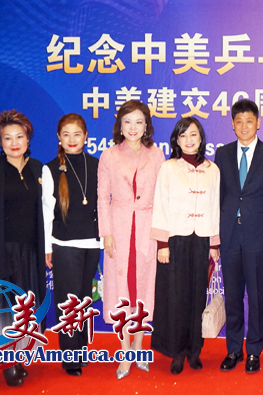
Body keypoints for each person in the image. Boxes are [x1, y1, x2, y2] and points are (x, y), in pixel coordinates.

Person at [0, 110, 46, 388]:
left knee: (23, 306)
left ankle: (18, 354)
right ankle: (7, 362)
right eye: (7, 138)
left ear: (28, 139)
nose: (14, 143)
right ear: (0, 141)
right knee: (0, 307)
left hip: (30, 250)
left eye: (19, 137)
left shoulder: (38, 168)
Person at [97, 100, 165, 379]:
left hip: (148, 228)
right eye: (127, 122)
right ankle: (125, 351)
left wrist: (162, 236)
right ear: (120, 126)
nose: (133, 127)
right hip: (120, 228)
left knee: (144, 290)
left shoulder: (157, 154)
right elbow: (102, 197)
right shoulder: (109, 155)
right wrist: (106, 233)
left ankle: (139, 347)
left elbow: (162, 198)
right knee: (121, 292)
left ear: (146, 125)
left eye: (139, 122)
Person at [215, 99, 263, 373]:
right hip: (229, 235)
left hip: (258, 236)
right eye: (239, 121)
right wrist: (215, 237)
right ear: (232, 125)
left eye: (249, 121)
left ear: (258, 123)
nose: (244, 126)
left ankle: (254, 350)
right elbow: (218, 196)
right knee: (232, 295)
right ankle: (234, 349)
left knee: (256, 296)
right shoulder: (222, 154)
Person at [151, 117, 221, 375]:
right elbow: (160, 205)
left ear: (201, 138)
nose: (189, 140)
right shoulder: (169, 167)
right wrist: (162, 243)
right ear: (176, 140)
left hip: (202, 239)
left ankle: (194, 350)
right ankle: (177, 351)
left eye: (193, 134)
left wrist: (214, 244)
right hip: (175, 240)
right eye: (183, 136)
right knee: (176, 296)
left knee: (197, 296)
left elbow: (215, 207)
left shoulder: (213, 169)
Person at [41, 113, 101, 376]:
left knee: (85, 299)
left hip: (92, 242)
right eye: (66, 134)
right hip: (63, 243)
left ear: (86, 136)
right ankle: (69, 355)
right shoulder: (50, 168)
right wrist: (47, 247)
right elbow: (46, 212)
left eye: (77, 134)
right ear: (59, 137)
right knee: (68, 300)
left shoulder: (97, 164)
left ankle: (80, 348)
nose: (72, 139)